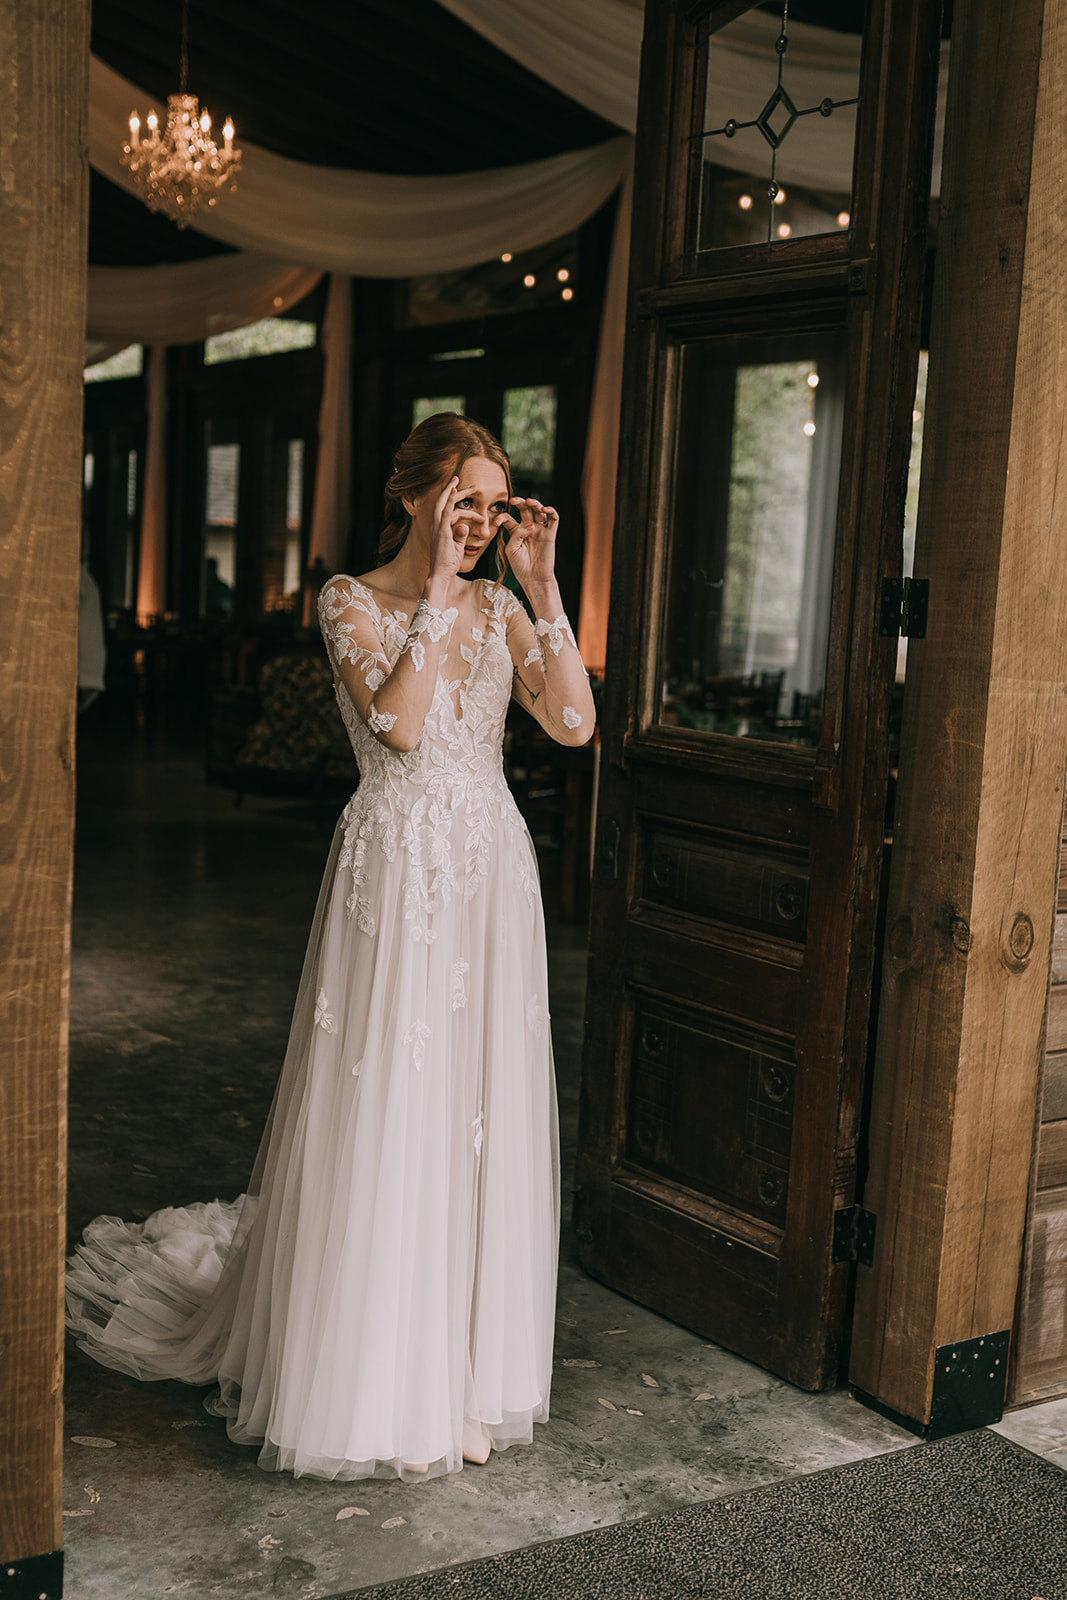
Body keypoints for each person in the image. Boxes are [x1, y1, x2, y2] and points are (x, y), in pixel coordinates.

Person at [66, 413, 596, 1482]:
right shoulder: (348, 600)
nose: (481, 521)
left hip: (488, 871)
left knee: (479, 1107)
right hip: (395, 871)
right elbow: (398, 725)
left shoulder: (502, 604)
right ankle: (383, 1373)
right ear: (413, 495)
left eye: (493, 506)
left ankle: (463, 1367)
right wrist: (440, 593)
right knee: (397, 1105)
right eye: (464, 499)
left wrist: (539, 590)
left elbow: (573, 724)